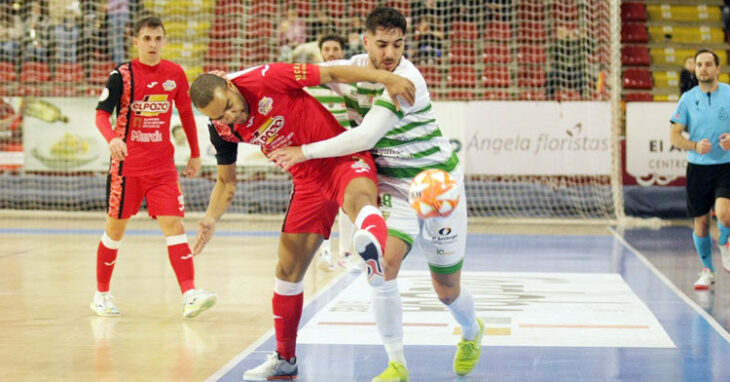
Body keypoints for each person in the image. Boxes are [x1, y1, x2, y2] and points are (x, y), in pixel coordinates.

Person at [269, 7, 484, 381]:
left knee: (447, 290)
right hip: (393, 189)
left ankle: (471, 331)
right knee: (382, 268)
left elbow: (366, 137)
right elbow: (294, 79)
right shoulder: (353, 70)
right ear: (365, 41)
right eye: (382, 44)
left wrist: (304, 152)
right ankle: (396, 363)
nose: (389, 53)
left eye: (397, 45)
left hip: (437, 186)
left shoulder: (405, 79)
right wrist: (235, 83)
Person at [188, 61, 415, 380]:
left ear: (229, 86)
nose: (229, 117)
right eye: (218, 116)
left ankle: (372, 249)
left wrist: (386, 78)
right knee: (287, 270)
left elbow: (332, 73)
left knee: (360, 200)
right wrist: (210, 219)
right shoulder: (222, 128)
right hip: (307, 182)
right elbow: (226, 181)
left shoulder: (267, 78)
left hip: (339, 159)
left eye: (228, 107)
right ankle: (285, 359)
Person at [90, 16, 217, 319]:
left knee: (175, 227)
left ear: (164, 41)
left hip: (162, 169)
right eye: (146, 39)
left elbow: (186, 113)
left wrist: (195, 154)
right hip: (127, 170)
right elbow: (100, 115)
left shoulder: (175, 73)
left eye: (157, 39)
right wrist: (111, 140)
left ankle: (189, 294)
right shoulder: (121, 75)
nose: (152, 44)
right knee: (114, 233)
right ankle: (101, 294)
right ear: (136, 41)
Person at [669, 49, 730, 291]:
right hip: (698, 168)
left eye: (708, 64)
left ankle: (725, 243)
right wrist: (694, 145)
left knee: (725, 214)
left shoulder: (729, 94)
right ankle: (707, 270)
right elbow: (674, 135)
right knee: (702, 223)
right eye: (699, 65)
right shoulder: (687, 98)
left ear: (718, 69)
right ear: (694, 70)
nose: (703, 68)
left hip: (726, 164)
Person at [305, 34, 362, 273]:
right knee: (322, 202)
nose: (331, 53)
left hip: (346, 144)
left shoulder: (353, 80)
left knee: (347, 202)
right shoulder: (309, 82)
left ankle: (346, 254)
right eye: (326, 49)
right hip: (319, 148)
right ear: (320, 52)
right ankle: (324, 252)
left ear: (342, 53)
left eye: (335, 49)